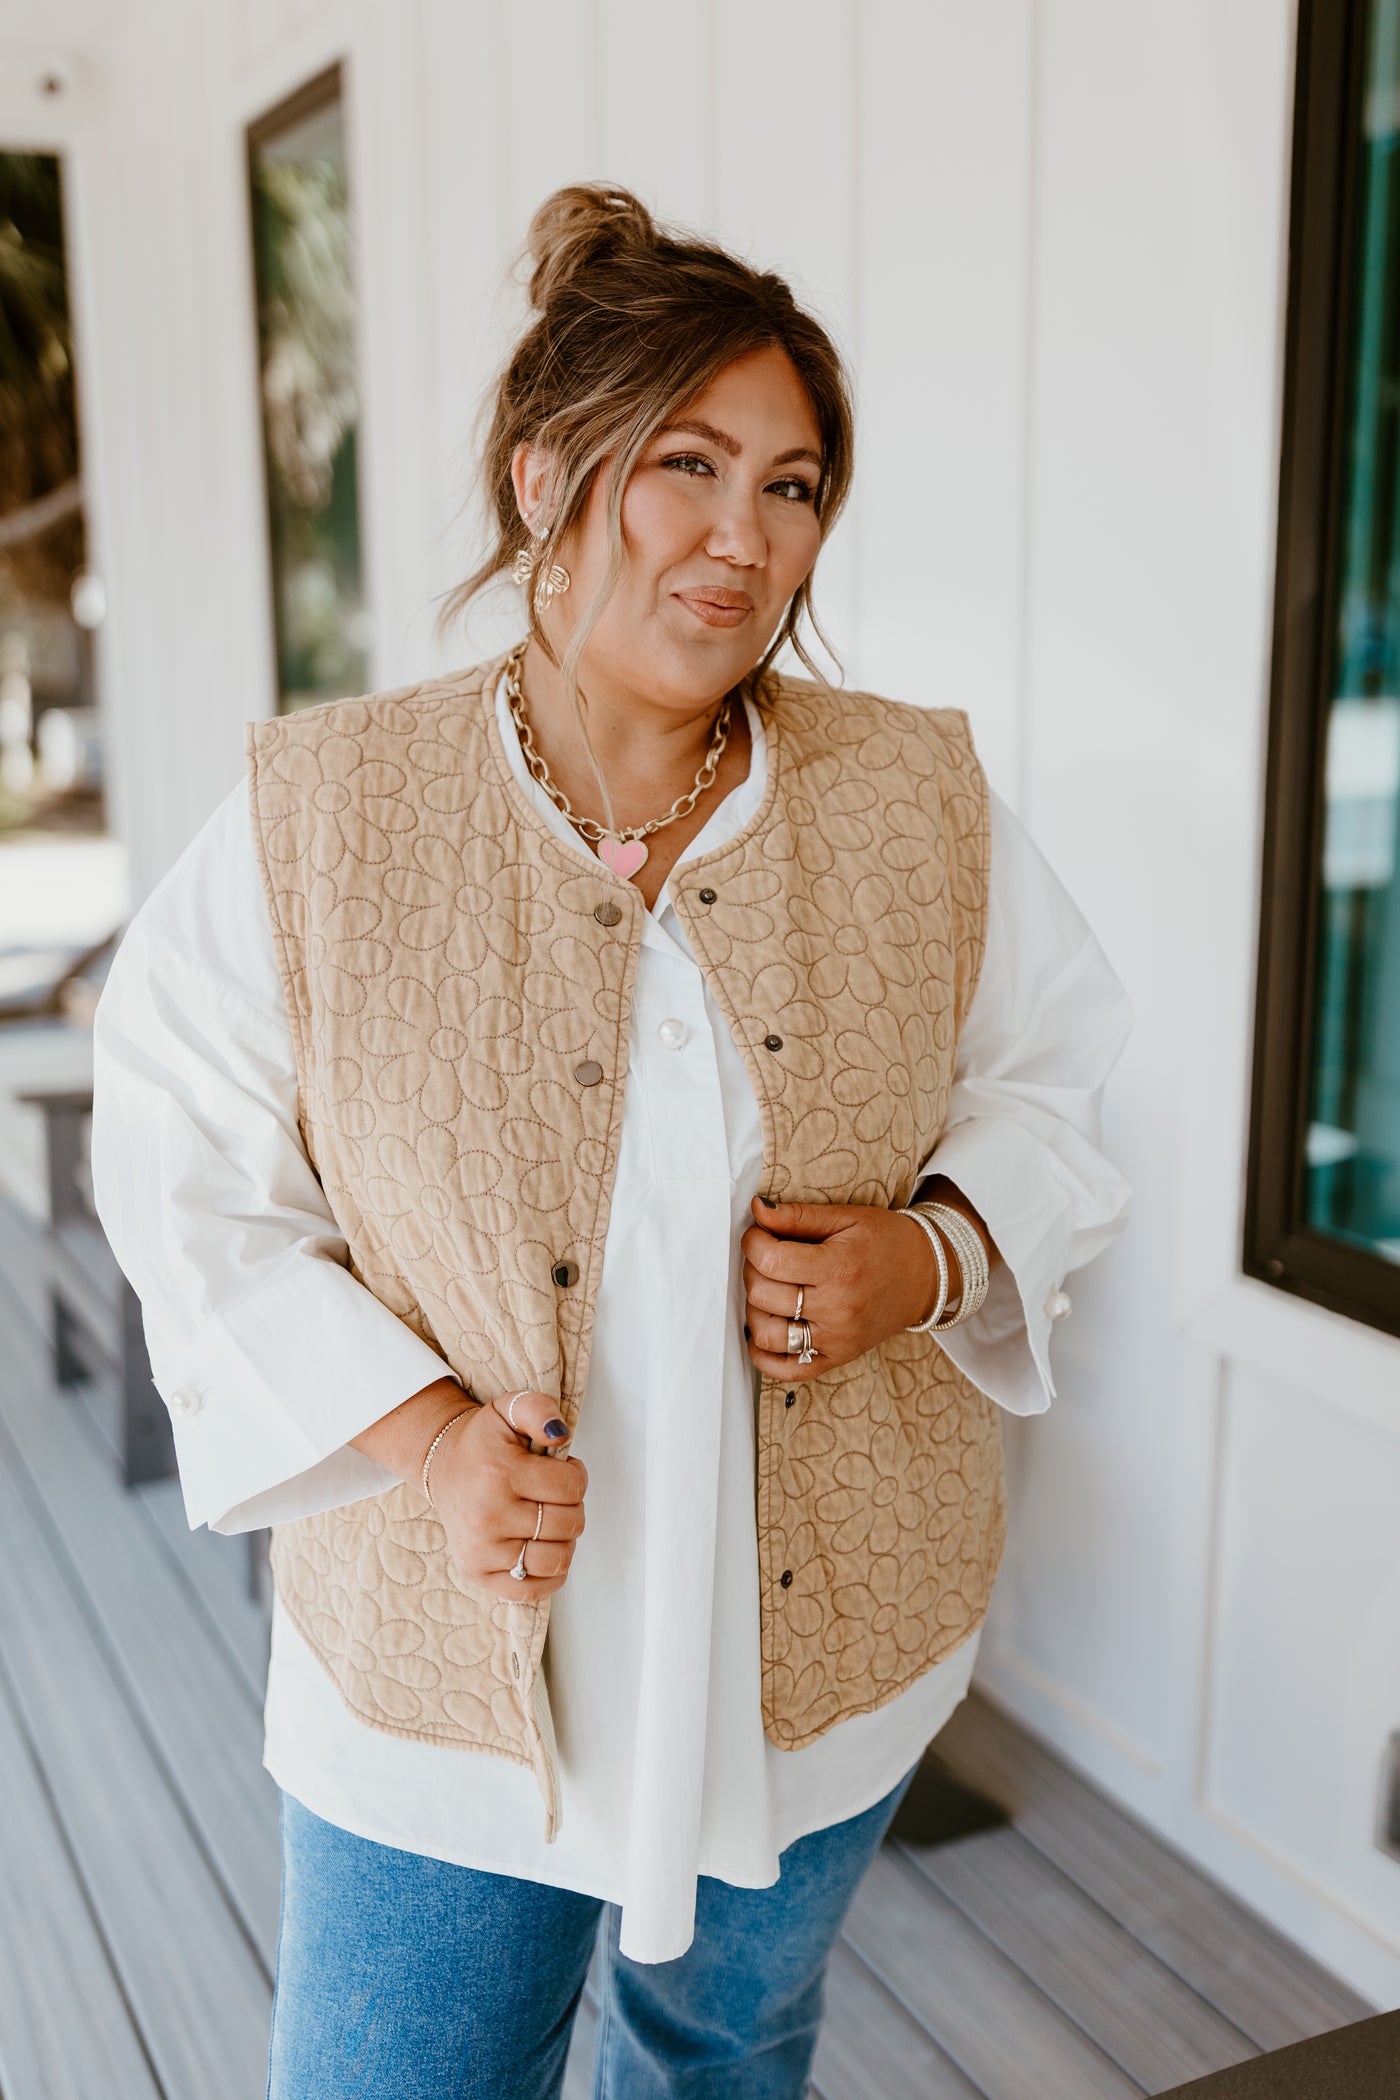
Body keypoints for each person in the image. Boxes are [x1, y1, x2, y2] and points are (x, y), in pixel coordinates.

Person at [92, 184, 1132, 2100]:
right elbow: (189, 1178)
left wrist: (933, 1257)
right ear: (543, 472)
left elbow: (1055, 1080)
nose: (746, 537)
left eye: (796, 484)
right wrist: (423, 1441)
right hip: (446, 1655)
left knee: (725, 2052)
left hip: (823, 1631)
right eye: (687, 464)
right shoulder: (322, 813)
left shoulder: (913, 792)